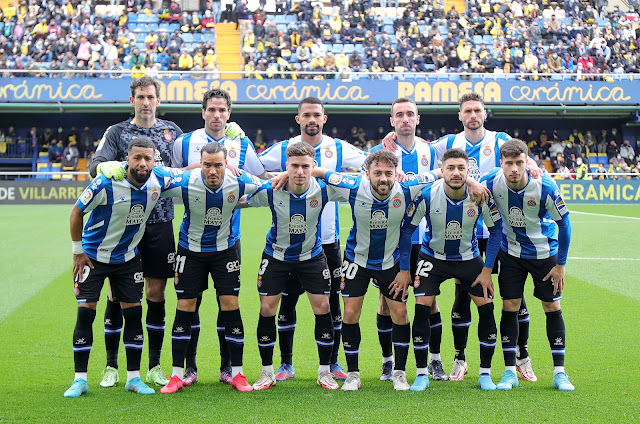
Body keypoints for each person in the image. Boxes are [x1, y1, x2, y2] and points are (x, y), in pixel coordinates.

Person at [383, 92, 543, 382]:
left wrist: (531, 166)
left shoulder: (500, 139)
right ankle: (460, 358)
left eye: (477, 110)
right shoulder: (445, 144)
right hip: (456, 233)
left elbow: (521, 160)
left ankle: (521, 355)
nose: (472, 115)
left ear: (484, 113)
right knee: (461, 293)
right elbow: (423, 153)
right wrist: (390, 139)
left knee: (511, 296)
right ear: (460, 115)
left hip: (496, 229)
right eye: (467, 110)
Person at [257, 97, 368, 382]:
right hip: (287, 244)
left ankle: (331, 365)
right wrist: (280, 174)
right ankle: (284, 364)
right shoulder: (284, 148)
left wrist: (389, 140)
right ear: (298, 119)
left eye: (316, 115)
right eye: (306, 115)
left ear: (324, 118)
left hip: (326, 242)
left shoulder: (339, 148)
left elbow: (370, 164)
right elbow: (256, 167)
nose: (312, 120)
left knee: (330, 304)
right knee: (287, 301)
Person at [64, 137, 181, 397]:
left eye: (147, 158)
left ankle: (133, 378)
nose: (142, 163)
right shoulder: (107, 182)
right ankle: (80, 380)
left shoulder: (158, 179)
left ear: (154, 160)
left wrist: (224, 167)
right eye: (136, 157)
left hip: (128, 259)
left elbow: (187, 173)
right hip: (93, 258)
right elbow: (76, 212)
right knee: (85, 314)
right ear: (126, 159)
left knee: (133, 314)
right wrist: (77, 253)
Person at [313, 150, 437, 391]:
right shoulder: (352, 185)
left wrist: (404, 270)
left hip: (390, 262)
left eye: (389, 173)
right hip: (356, 260)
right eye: (377, 173)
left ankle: (399, 373)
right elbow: (318, 171)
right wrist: (286, 173)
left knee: (400, 313)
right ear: (366, 173)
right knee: (350, 313)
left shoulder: (407, 187)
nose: (383, 179)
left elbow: (441, 172)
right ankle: (353, 374)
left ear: (396, 174)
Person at [172, 88, 271, 386]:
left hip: (230, 237)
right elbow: (173, 177)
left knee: (227, 301)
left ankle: (228, 367)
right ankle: (188, 368)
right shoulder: (184, 142)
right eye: (211, 110)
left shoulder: (240, 141)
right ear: (203, 112)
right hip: (192, 238)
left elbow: (258, 178)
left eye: (222, 111)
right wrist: (207, 167)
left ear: (229, 114)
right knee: (190, 303)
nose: (217, 115)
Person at [89, 76, 182, 388]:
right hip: (123, 226)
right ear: (132, 100)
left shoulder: (173, 133)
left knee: (156, 293)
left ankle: (154, 365)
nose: (146, 102)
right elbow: (96, 163)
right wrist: (104, 167)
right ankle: (111, 366)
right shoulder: (117, 132)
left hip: (160, 224)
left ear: (158, 100)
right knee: (117, 294)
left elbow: (189, 170)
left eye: (150, 97)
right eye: (140, 96)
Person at [160, 142, 264, 394]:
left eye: (218, 165)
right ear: (200, 164)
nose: (213, 171)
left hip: (224, 251)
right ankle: (176, 375)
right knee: (185, 306)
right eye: (207, 165)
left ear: (227, 163)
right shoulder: (186, 181)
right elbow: (153, 175)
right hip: (190, 251)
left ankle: (237, 373)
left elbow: (268, 185)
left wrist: (286, 175)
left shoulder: (238, 181)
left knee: (230, 305)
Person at [397, 148, 501, 391]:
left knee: (486, 309)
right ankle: (422, 373)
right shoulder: (427, 195)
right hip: (432, 258)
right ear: (441, 170)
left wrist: (486, 271)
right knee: (421, 310)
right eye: (451, 168)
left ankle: (485, 374)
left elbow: (496, 232)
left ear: (468, 172)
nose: (456, 173)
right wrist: (404, 269)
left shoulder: (480, 196)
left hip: (469, 259)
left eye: (461, 168)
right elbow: (406, 231)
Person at [243, 142, 342, 391]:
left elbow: (359, 183)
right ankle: (267, 372)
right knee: (267, 308)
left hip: (312, 256)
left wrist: (321, 174)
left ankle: (324, 372)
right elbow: (239, 198)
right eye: (294, 166)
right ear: (286, 166)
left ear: (313, 167)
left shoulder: (324, 190)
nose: (299, 171)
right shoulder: (272, 189)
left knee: (323, 306)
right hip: (276, 256)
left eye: (305, 166)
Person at [479, 138, 574, 392]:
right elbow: (470, 182)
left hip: (545, 255)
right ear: (501, 163)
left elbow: (564, 224)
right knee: (509, 307)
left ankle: (560, 373)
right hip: (510, 254)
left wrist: (561, 264)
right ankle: (510, 371)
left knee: (552, 307)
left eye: (519, 163)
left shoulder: (544, 186)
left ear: (527, 162)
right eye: (508, 163)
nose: (514, 169)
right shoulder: (491, 182)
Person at [369, 97, 442, 382]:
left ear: (418, 118)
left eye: (410, 114)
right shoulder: (380, 151)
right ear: (392, 120)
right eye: (399, 115)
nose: (405, 119)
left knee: (428, 300)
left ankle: (434, 360)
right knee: (387, 303)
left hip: (424, 240)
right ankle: (388, 362)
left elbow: (452, 170)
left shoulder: (432, 150)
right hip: (390, 241)